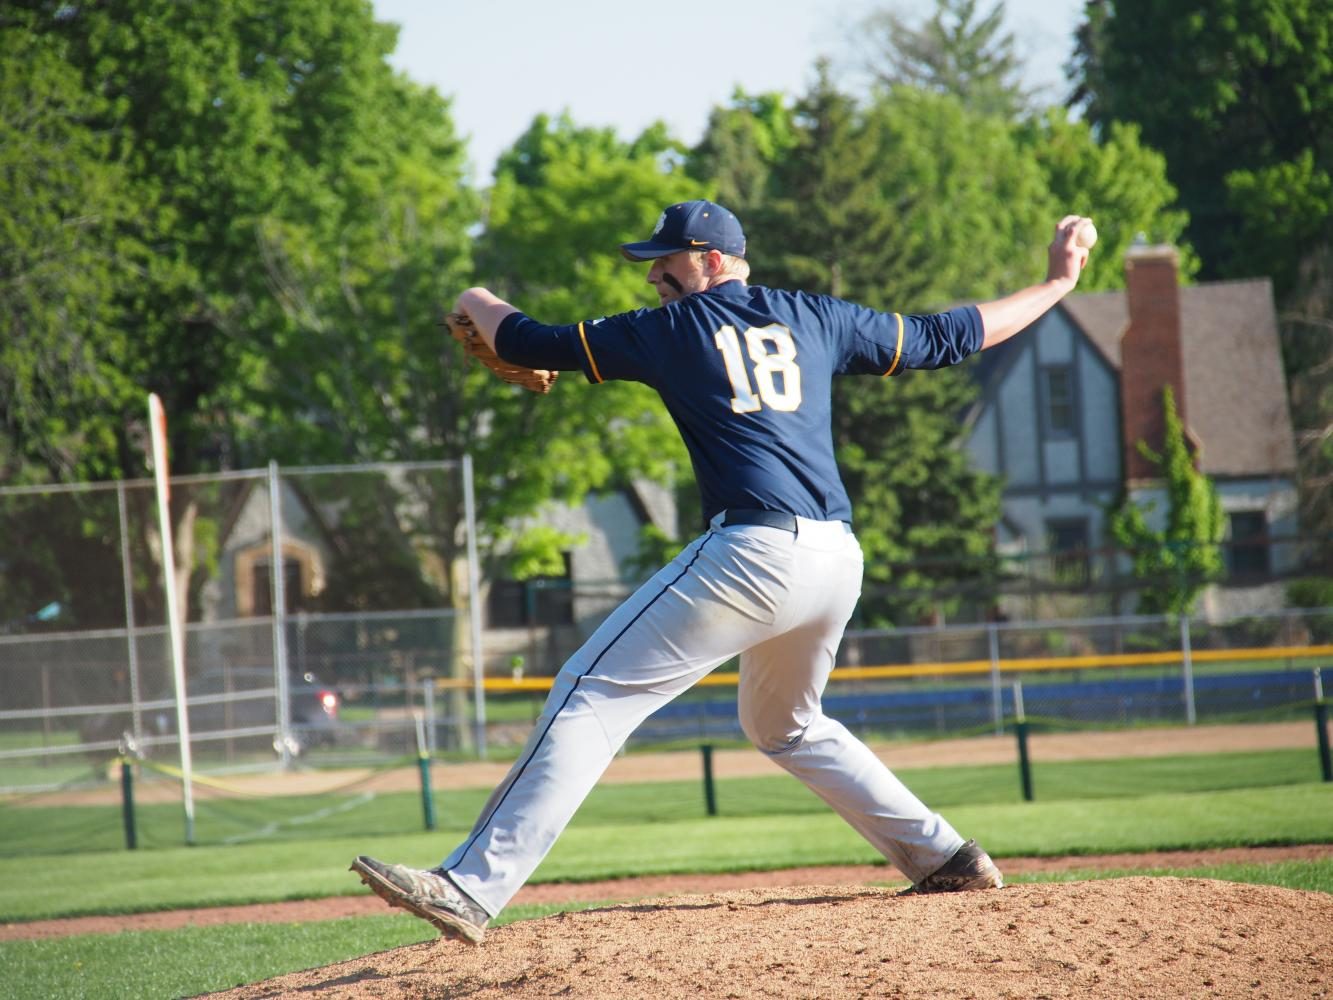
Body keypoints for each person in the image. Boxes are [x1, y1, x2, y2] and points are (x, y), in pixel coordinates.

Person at [352, 199, 1092, 944]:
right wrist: (1057, 284)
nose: (655, 279)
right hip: (835, 560)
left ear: (710, 260)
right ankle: (943, 856)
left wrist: (472, 299)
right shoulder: (815, 317)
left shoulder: (671, 330)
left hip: (753, 552)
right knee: (785, 726)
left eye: (665, 263)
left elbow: (524, 337)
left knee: (589, 690)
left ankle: (467, 886)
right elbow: (945, 336)